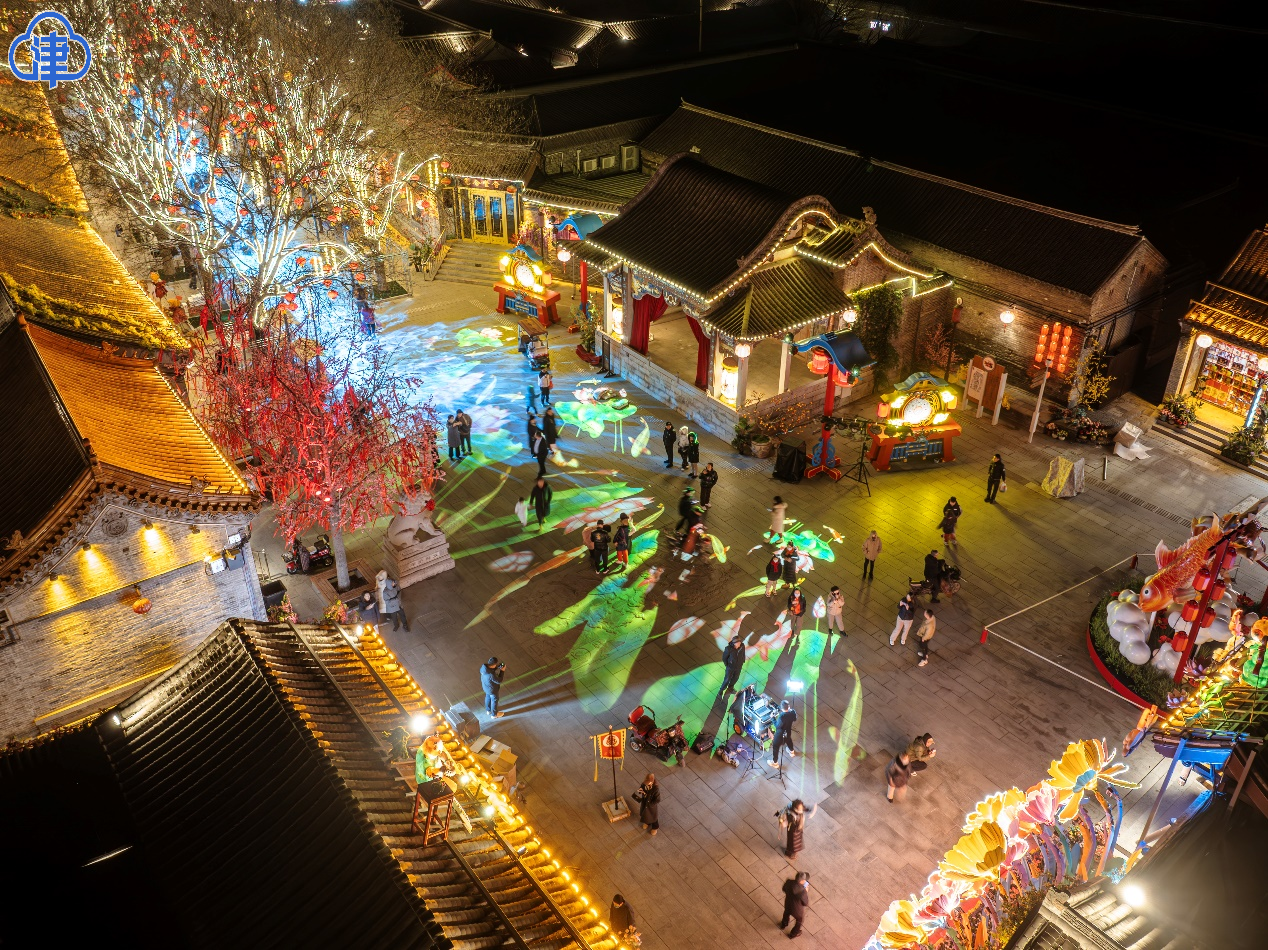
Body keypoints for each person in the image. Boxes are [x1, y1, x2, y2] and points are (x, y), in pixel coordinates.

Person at [779, 872, 811, 938]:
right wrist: (806, 891)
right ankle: (793, 934)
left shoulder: (789, 882)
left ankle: (783, 924)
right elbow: (805, 903)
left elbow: (784, 889)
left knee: (786, 913)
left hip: (788, 904)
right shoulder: (803, 891)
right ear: (802, 881)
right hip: (797, 911)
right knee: (799, 920)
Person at [769, 698, 797, 768]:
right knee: (789, 740)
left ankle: (775, 763)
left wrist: (772, 718)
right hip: (788, 731)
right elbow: (795, 718)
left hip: (780, 735)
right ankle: (792, 752)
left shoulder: (782, 716)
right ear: (788, 706)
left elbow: (777, 726)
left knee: (776, 747)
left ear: (782, 709)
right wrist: (791, 711)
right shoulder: (792, 712)